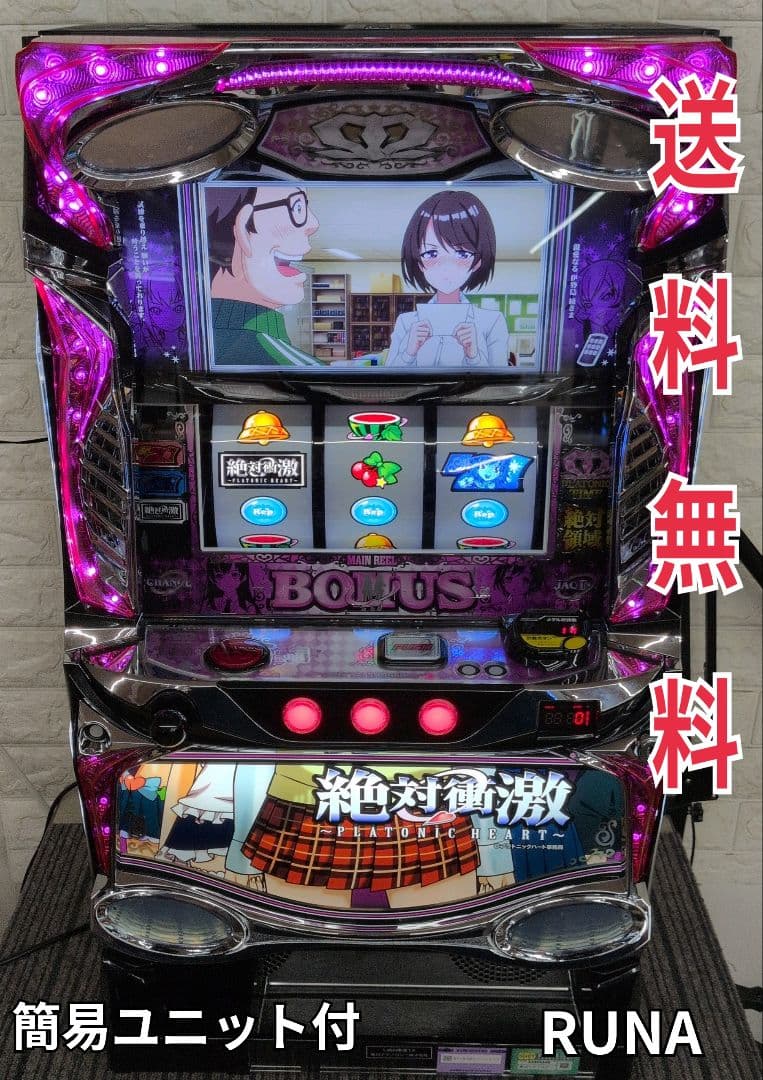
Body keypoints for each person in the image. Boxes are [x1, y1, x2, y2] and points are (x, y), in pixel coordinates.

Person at [386, 190, 510, 369]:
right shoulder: (406, 322)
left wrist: (474, 356)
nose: (446, 267)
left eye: (462, 254)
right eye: (431, 253)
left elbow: (499, 380)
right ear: (419, 262)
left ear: (477, 262)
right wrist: (408, 353)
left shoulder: (492, 322)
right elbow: (390, 377)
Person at [206, 185, 325, 367]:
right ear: (243, 227)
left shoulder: (197, 337)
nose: (313, 224)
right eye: (298, 207)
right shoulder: (302, 367)